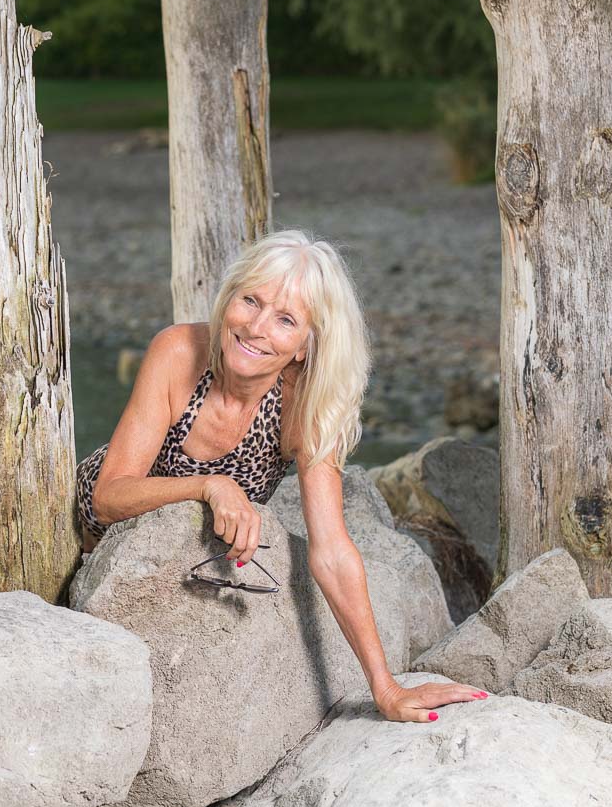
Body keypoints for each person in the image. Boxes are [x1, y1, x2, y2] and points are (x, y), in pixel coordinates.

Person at [75, 230, 488, 724]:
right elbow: (108, 496)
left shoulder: (306, 407)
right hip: (96, 543)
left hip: (190, 560)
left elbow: (332, 550)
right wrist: (212, 486)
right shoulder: (178, 350)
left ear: (304, 347)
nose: (256, 328)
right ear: (229, 298)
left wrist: (386, 688)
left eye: (286, 320)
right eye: (250, 300)